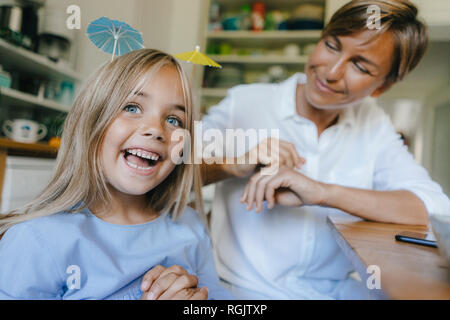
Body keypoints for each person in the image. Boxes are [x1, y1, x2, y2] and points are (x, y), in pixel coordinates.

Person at [200, 0, 450, 299]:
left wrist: (323, 192)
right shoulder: (245, 103)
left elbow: (432, 207)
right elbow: (169, 173)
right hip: (242, 292)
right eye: (332, 45)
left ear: (382, 87)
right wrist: (232, 165)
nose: (330, 72)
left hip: (334, 292)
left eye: (359, 65)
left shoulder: (373, 123)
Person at [0, 49, 233, 300]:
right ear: (90, 121)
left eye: (175, 120)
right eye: (132, 107)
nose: (156, 130)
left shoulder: (189, 225)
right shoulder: (36, 239)